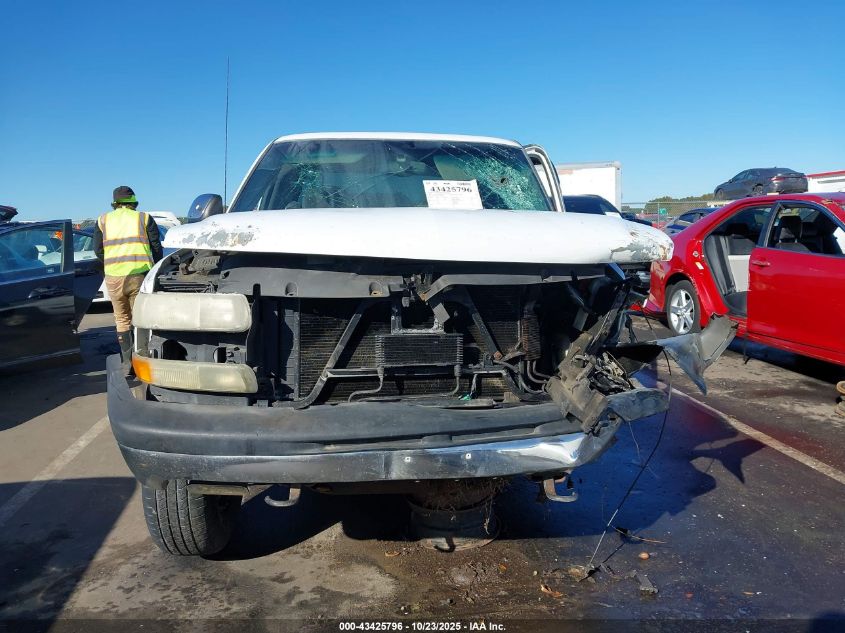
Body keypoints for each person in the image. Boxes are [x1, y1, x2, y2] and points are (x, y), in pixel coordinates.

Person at [94, 186, 163, 375]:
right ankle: (143, 359)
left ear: (114, 202)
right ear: (133, 201)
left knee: (122, 318)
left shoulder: (102, 220)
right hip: (139, 275)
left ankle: (127, 363)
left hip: (114, 277)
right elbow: (156, 247)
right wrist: (156, 269)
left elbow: (98, 250)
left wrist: (113, 263)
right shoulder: (144, 218)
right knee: (141, 318)